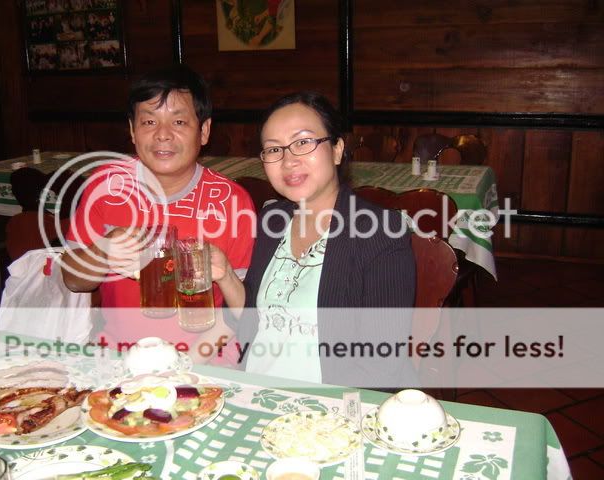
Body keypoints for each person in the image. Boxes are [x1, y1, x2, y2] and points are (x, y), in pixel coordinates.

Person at [212, 91, 416, 387]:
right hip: (257, 390)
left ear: (337, 150)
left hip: (330, 403)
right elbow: (250, 322)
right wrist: (226, 276)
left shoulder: (381, 233)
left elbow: (381, 365)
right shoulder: (273, 220)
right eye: (274, 149)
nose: (288, 161)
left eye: (303, 142)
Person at [61, 65, 255, 360]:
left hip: (206, 358)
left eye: (179, 121)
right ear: (132, 130)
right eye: (149, 121)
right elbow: (73, 280)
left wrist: (186, 363)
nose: (163, 134)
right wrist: (104, 249)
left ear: (204, 131)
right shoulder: (105, 185)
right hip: (119, 355)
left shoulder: (232, 201)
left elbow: (241, 309)